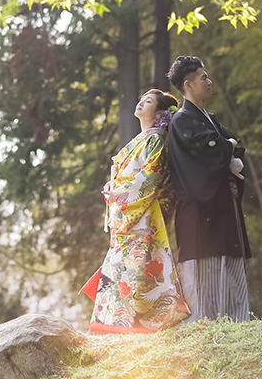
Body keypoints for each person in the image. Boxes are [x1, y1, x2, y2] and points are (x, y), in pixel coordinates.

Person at [82, 89, 190, 334]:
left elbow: (152, 176)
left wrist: (119, 195)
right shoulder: (140, 141)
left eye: (149, 101)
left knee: (140, 270)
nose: (141, 102)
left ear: (160, 113)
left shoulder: (155, 139)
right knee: (123, 268)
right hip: (127, 212)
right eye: (141, 99)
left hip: (142, 214)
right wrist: (113, 188)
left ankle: (149, 326)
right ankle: (119, 326)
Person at [167, 55, 251, 323]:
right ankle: (202, 327)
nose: (209, 81)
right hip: (199, 207)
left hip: (223, 204)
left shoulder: (209, 119)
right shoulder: (181, 120)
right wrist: (227, 148)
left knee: (231, 266)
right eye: (204, 77)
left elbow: (234, 147)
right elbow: (218, 148)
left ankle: (237, 324)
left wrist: (227, 147)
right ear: (189, 85)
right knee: (203, 273)